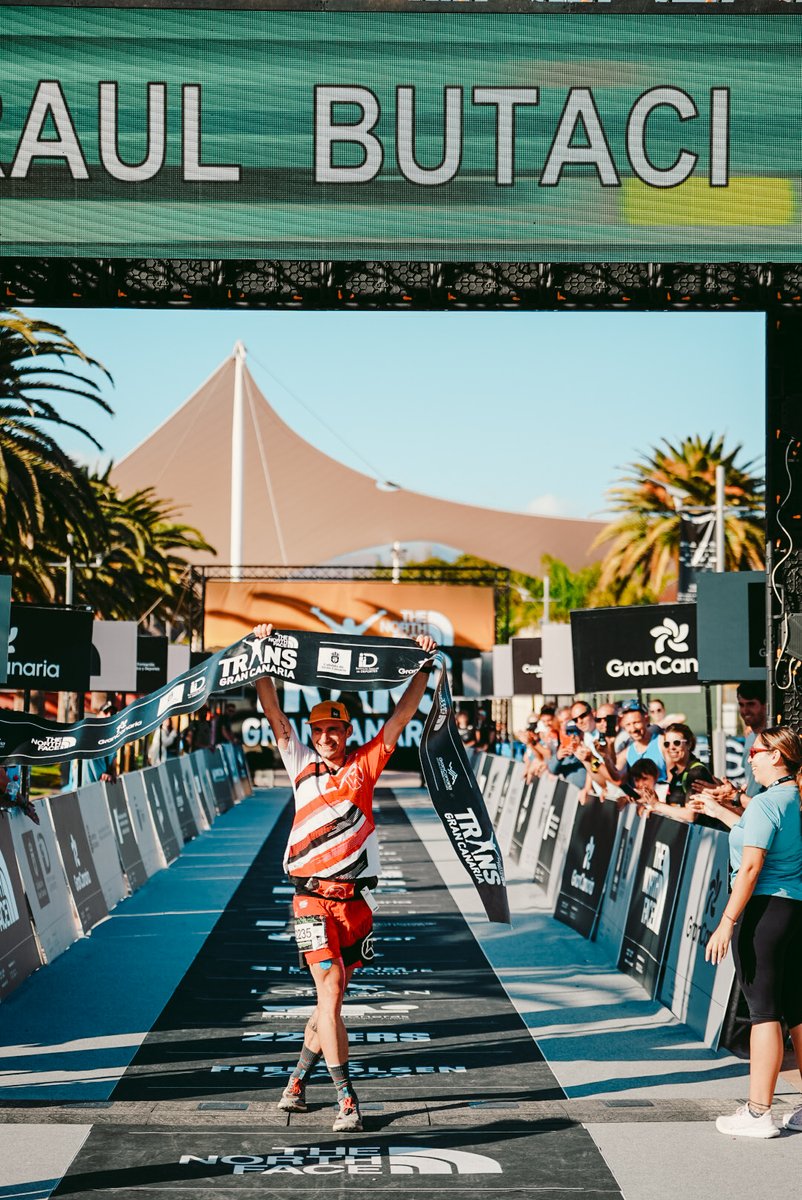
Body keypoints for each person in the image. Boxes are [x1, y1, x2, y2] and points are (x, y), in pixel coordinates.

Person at [252, 620, 437, 1134]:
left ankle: (294, 1084)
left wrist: (420, 666)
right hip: (310, 900)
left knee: (327, 1002)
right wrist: (260, 655)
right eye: (319, 730)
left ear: (348, 732)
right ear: (311, 734)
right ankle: (346, 1099)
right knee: (330, 988)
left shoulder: (366, 763)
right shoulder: (298, 760)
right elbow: (271, 709)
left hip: (356, 905)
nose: (327, 736)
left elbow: (401, 717)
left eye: (335, 728)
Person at [698, 726, 802, 1138]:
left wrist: (726, 922)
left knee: (763, 1014)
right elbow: (762, 835)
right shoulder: (792, 798)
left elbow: (753, 866)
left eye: (756, 752)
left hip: (763, 913)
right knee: (796, 1011)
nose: (751, 759)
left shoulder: (765, 803)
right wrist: (719, 810)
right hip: (794, 911)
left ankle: (760, 1112)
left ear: (776, 756)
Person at [639, 723, 717, 827]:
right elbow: (677, 807)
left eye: (677, 743)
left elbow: (691, 815)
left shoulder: (696, 772)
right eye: (667, 744)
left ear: (689, 744)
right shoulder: (676, 772)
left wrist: (658, 805)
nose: (671, 748)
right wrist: (656, 808)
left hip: (704, 838)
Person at [617, 701, 667, 784]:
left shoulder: (662, 742)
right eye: (628, 725)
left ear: (647, 720)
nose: (633, 729)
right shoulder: (627, 752)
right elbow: (615, 778)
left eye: (636, 723)